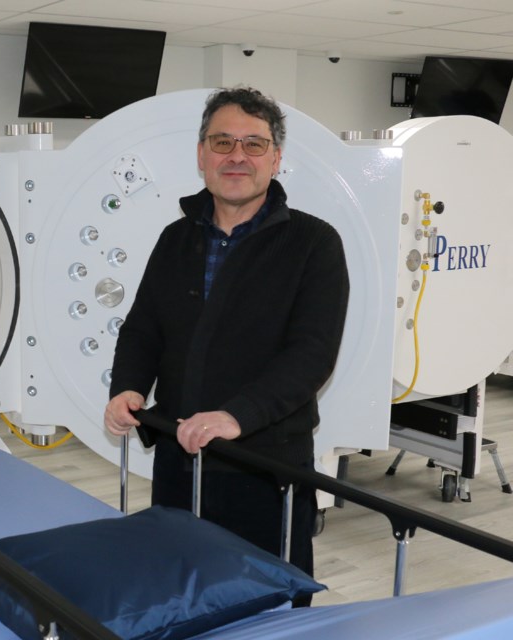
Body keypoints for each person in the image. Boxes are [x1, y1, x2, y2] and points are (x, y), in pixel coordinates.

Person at [103, 86, 350, 602]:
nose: (236, 156)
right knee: (176, 596)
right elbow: (144, 326)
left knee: (266, 604)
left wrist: (236, 416)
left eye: (254, 144)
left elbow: (311, 354)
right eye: (222, 142)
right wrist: (128, 386)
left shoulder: (314, 244)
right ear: (201, 155)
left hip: (265, 470)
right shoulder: (176, 238)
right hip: (178, 461)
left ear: (276, 159)